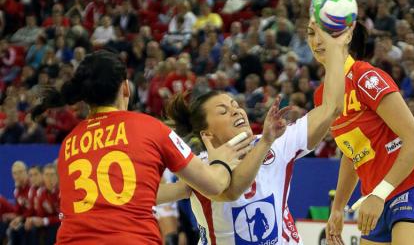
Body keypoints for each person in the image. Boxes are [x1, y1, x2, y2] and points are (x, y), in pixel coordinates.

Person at [31, 50, 257, 245]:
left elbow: (128, 197)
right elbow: (215, 184)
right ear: (126, 88)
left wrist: (186, 188)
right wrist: (222, 159)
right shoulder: (149, 127)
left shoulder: (69, 142)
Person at [157, 21, 349, 244]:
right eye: (223, 111)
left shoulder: (277, 142)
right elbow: (231, 190)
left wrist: (335, 49)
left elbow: (331, 108)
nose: (236, 111)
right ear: (206, 134)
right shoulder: (201, 168)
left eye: (235, 105)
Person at [313, 23, 414, 245]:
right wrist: (337, 208)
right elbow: (351, 153)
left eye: (325, 34)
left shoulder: (365, 77)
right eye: (310, 33)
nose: (316, 40)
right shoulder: (322, 96)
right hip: (373, 201)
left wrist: (379, 194)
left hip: (410, 189)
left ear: (346, 38)